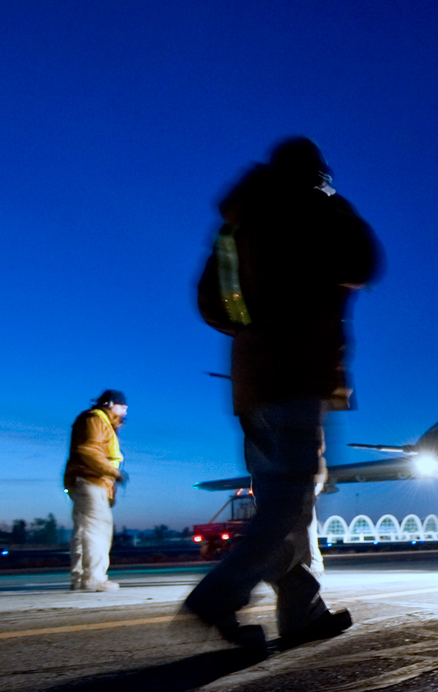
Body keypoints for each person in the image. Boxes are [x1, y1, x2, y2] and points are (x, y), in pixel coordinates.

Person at [182, 136, 382, 650]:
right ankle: (218, 596)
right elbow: (364, 261)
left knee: (292, 505)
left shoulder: (237, 224)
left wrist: (255, 332)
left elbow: (211, 303)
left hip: (253, 378)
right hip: (297, 376)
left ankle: (302, 613)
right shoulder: (314, 209)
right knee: (288, 505)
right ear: (316, 174)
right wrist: (334, 199)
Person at [64, 389, 128, 591]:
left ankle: (81, 579)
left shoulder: (96, 420)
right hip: (92, 481)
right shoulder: (96, 420)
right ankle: (94, 579)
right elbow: (89, 450)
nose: (125, 410)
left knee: (84, 530)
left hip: (87, 482)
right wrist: (113, 472)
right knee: (97, 530)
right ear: (110, 404)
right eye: (122, 406)